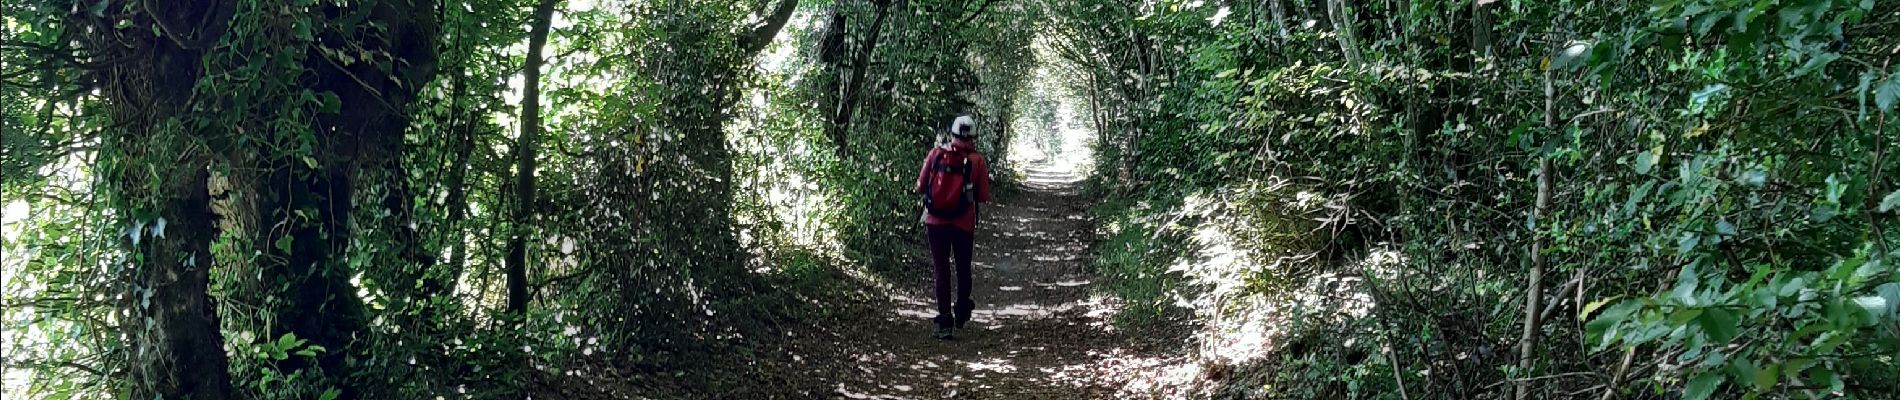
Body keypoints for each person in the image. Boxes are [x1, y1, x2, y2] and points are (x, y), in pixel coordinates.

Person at [915, 115, 992, 340]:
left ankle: (944, 321)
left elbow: (920, 186)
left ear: (952, 133)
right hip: (963, 222)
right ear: (974, 136)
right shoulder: (977, 161)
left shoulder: (936, 154)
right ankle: (961, 311)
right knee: (963, 267)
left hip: (935, 222)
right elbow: (984, 196)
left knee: (941, 270)